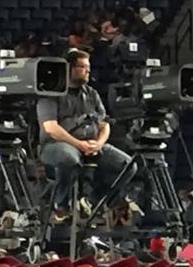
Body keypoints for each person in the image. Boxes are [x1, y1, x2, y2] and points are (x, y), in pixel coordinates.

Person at [36, 49, 131, 216]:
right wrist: (79, 144)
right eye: (83, 67)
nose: (88, 71)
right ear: (70, 68)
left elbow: (104, 124)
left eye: (89, 67)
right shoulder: (51, 93)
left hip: (91, 144)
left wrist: (99, 143)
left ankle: (96, 201)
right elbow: (51, 128)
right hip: (56, 145)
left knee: (128, 166)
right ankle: (61, 205)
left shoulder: (92, 94)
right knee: (69, 158)